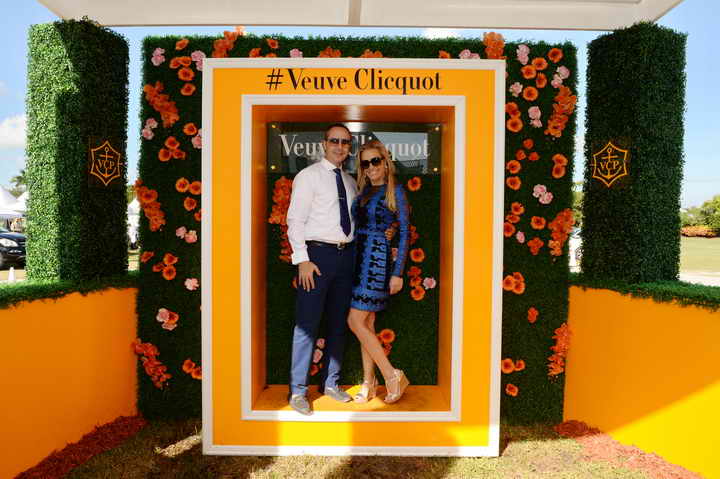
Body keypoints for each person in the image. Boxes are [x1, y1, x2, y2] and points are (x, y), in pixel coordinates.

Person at [286, 123, 357, 416]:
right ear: (324, 144)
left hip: (346, 257)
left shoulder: (350, 182)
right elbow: (295, 220)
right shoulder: (308, 176)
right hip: (316, 258)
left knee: (338, 323)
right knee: (307, 324)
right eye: (335, 141)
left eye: (345, 142)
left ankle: (330, 383)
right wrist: (302, 259)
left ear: (349, 147)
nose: (340, 146)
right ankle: (298, 391)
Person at [347, 139, 411, 404]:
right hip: (357, 258)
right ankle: (368, 383)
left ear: (385, 162)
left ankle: (392, 375)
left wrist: (397, 273)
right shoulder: (362, 191)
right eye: (365, 163)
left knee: (355, 321)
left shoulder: (395, 191)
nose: (371, 167)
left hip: (376, 261)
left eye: (375, 161)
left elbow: (405, 233)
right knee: (367, 324)